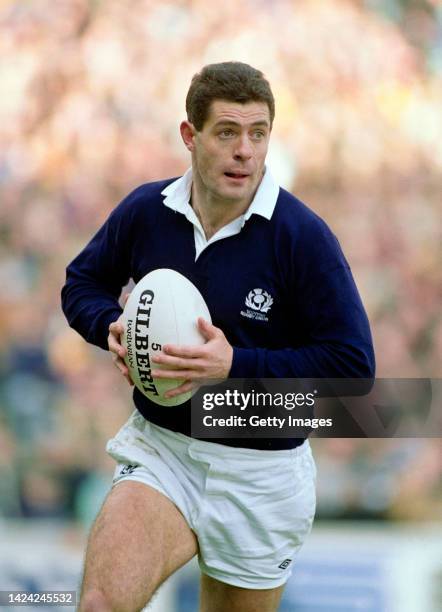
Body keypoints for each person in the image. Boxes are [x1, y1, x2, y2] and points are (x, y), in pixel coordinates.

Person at [62, 61, 375, 612]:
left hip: (262, 473)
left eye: (258, 134)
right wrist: (106, 324)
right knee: (99, 604)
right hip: (164, 449)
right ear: (190, 135)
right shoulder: (146, 211)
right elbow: (82, 282)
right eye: (227, 132)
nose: (245, 151)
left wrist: (236, 364)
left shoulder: (303, 237)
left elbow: (353, 371)